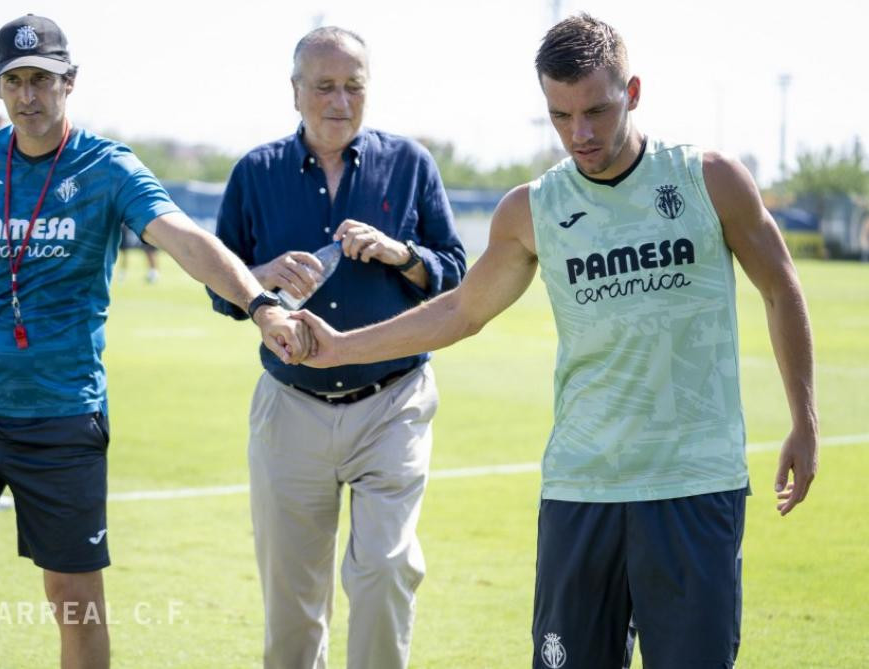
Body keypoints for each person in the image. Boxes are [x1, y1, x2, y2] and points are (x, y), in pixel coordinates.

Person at [295, 14, 818, 669]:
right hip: (581, 491)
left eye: (596, 110)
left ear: (632, 91)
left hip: (692, 485)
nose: (582, 133)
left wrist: (805, 421)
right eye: (561, 116)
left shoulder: (708, 181)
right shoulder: (534, 208)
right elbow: (460, 309)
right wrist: (338, 347)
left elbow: (782, 289)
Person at [0, 15, 309, 669]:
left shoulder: (107, 168)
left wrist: (261, 304)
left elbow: (185, 238)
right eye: (14, 81)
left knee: (73, 598)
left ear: (69, 82)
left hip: (62, 414)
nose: (28, 96)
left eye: (42, 80)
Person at [209, 26, 466, 669]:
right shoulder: (254, 172)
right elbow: (223, 286)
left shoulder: (410, 164)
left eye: (354, 86)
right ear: (295, 92)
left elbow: (455, 272)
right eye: (324, 86)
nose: (340, 101)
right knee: (294, 603)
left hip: (393, 401)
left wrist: (399, 252)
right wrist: (263, 276)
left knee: (384, 571)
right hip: (290, 403)